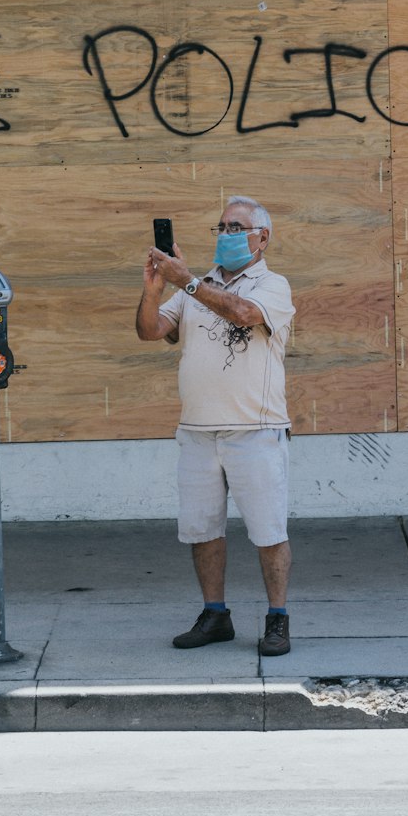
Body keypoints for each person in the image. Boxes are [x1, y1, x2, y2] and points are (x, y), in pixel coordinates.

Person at [135, 196, 295, 657]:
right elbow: (150, 331)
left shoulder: (273, 285)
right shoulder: (195, 287)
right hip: (198, 431)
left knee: (268, 530)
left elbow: (243, 314)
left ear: (262, 238)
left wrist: (184, 282)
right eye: (220, 227)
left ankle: (278, 618)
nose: (226, 234)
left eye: (236, 227)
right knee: (202, 528)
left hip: (256, 430)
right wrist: (153, 289)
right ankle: (215, 614)